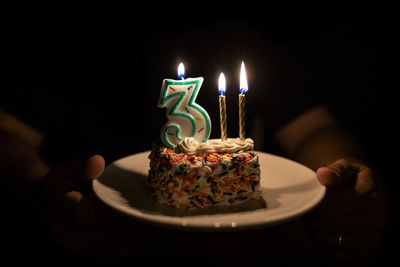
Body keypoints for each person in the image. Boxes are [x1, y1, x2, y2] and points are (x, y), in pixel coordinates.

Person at [0, 3, 392, 266]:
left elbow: (314, 129)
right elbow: (8, 135)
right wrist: (39, 187)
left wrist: (349, 187)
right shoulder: (73, 40)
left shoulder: (237, 32)